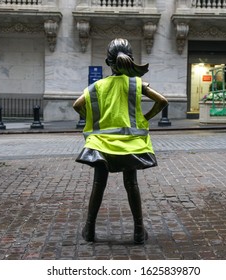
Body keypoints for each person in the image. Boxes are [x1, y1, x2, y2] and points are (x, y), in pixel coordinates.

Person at [73, 38, 168, 244]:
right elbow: (162, 101)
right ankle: (138, 232)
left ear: (109, 63)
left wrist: (93, 119)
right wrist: (145, 117)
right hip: (130, 144)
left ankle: (89, 230)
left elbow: (77, 105)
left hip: (101, 144)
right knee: (131, 184)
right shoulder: (136, 84)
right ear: (130, 60)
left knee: (98, 184)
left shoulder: (96, 87)